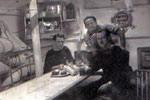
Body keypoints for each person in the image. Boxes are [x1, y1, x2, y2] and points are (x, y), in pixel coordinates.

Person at [81, 31, 134, 100]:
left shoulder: (117, 50)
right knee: (83, 89)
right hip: (106, 79)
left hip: (119, 81)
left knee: (89, 91)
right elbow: (94, 68)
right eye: (98, 39)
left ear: (108, 38)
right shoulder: (101, 52)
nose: (101, 41)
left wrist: (110, 84)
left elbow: (120, 71)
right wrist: (84, 69)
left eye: (103, 38)